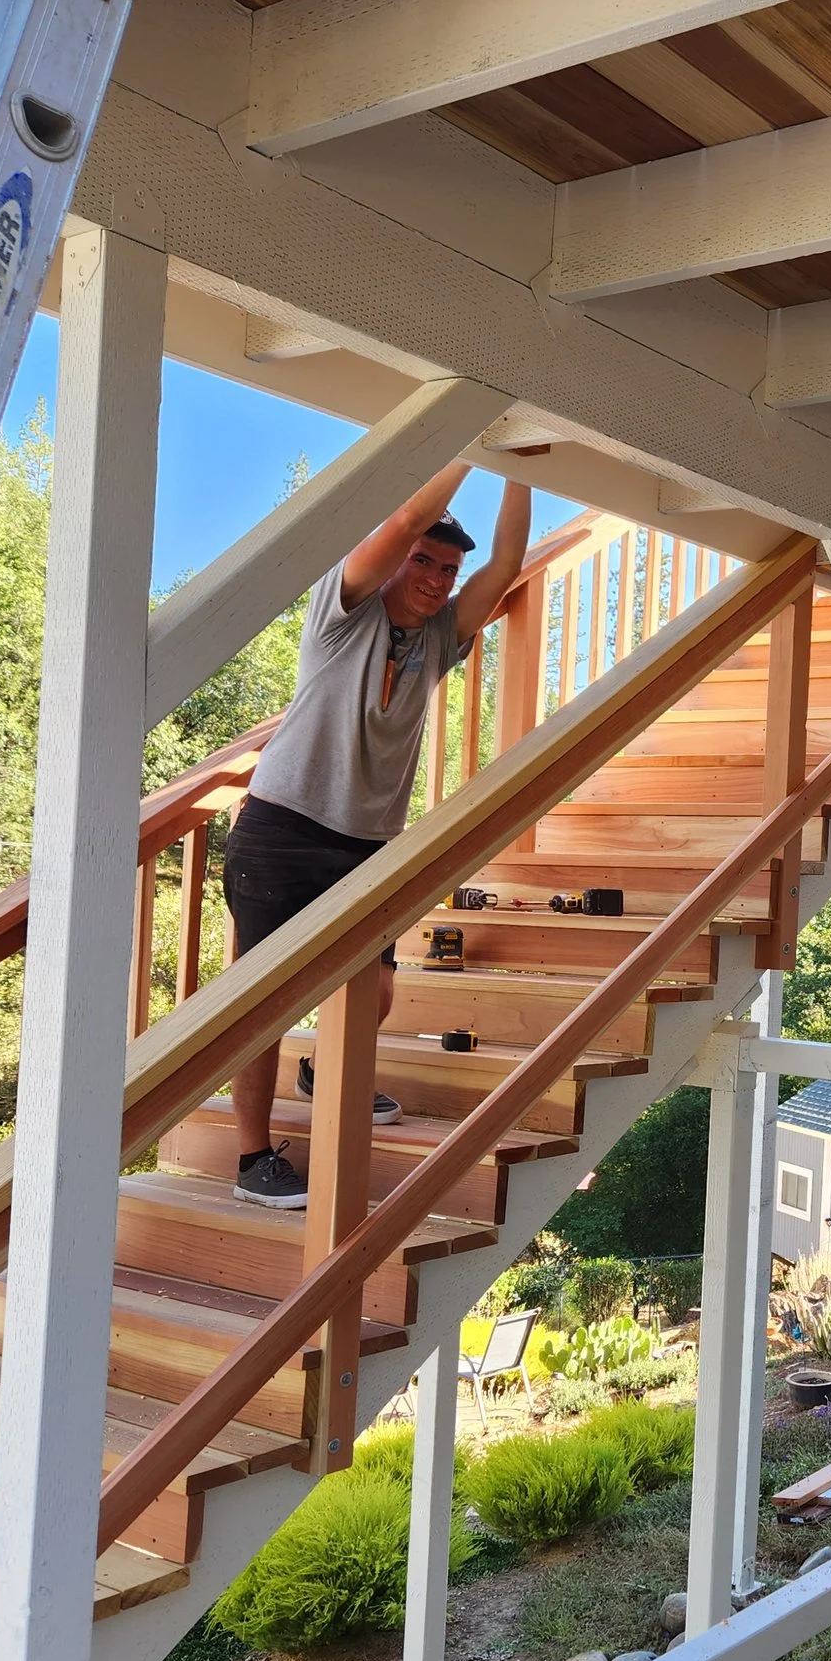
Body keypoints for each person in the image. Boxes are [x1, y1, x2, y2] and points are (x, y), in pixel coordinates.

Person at [223, 465, 531, 1207]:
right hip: (283, 830)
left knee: (378, 986)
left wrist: (520, 466)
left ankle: (326, 1073)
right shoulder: (343, 609)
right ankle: (253, 1159)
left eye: (447, 570)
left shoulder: (440, 638)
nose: (435, 579)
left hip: (366, 847)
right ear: (396, 560)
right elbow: (400, 520)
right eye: (424, 561)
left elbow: (504, 567)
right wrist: (472, 435)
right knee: (259, 1008)